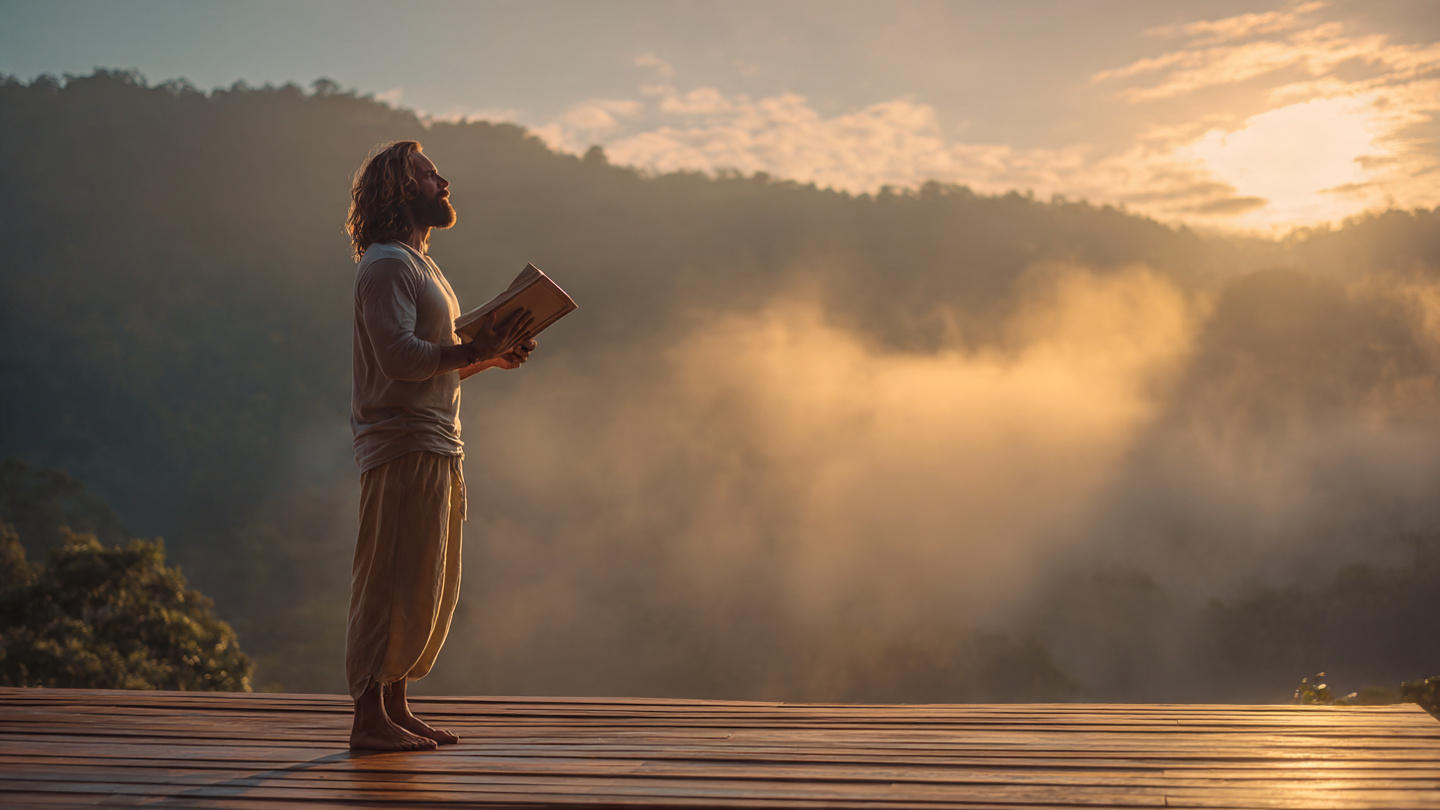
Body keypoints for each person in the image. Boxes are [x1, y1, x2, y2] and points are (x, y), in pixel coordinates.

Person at [344, 140, 536, 752]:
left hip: (437, 442)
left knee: (422, 579)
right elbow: (399, 360)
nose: (442, 181)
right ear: (401, 191)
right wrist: (473, 350)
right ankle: (368, 720)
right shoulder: (385, 266)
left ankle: (395, 707)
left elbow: (434, 366)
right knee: (388, 575)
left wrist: (491, 357)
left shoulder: (418, 265)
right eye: (428, 176)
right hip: (402, 443)